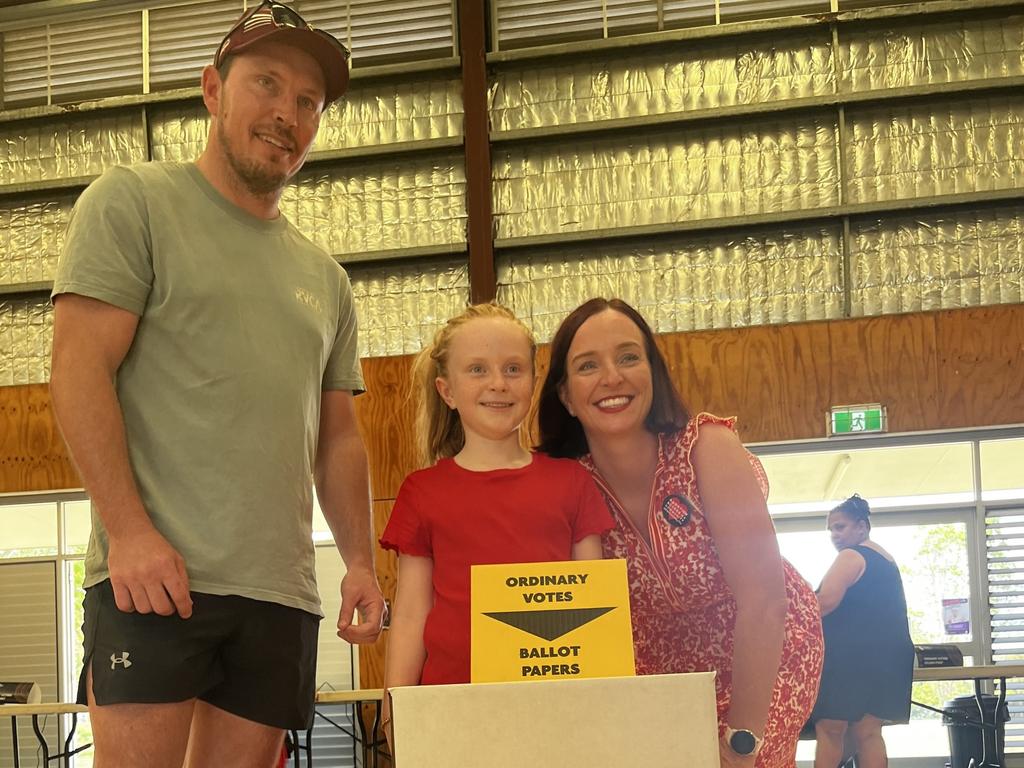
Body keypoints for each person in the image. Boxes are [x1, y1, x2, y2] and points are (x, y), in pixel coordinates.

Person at [48, 3, 385, 766]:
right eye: (266, 84)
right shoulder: (133, 201)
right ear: (212, 89)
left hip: (278, 596)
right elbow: (76, 369)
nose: (286, 114)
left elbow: (337, 437)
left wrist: (360, 561)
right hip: (153, 579)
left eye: (308, 102)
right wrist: (128, 531)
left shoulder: (325, 280)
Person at [536, 297, 823, 767]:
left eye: (629, 357)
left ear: (653, 372)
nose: (612, 377)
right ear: (565, 395)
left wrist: (744, 739)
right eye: (588, 365)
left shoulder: (706, 448)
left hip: (764, 653)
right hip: (661, 676)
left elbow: (765, 602)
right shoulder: (566, 483)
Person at [379, 303, 614, 741]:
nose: (498, 384)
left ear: (532, 380)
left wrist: (599, 709)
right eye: (477, 370)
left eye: (512, 368)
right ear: (447, 391)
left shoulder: (572, 481)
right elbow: (411, 614)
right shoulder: (421, 492)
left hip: (557, 714)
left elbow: (596, 607)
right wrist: (393, 708)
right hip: (451, 714)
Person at [811, 495, 914, 768]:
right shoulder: (885, 558)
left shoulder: (851, 555)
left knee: (830, 728)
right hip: (889, 657)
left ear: (862, 526)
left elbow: (825, 602)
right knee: (868, 732)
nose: (834, 534)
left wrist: (784, 618)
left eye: (840, 527)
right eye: (831, 529)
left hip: (853, 657)